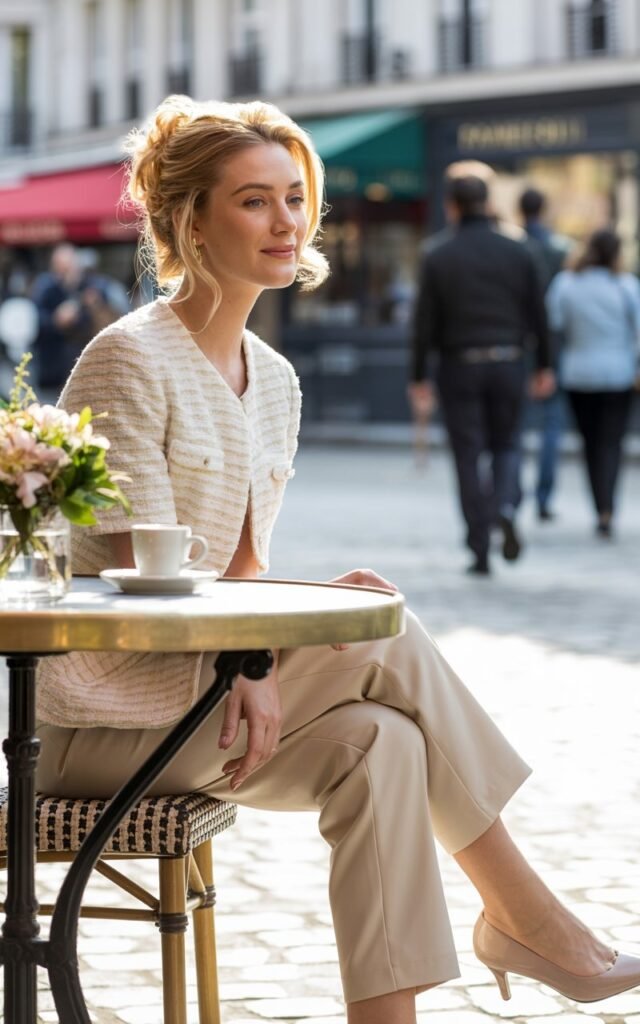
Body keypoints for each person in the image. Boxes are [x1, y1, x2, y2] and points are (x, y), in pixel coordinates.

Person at [34, 96, 640, 1024]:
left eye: (294, 197)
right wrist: (259, 653)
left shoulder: (276, 379)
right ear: (189, 220)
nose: (287, 222)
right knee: (386, 640)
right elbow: (146, 585)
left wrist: (288, 612)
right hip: (102, 722)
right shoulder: (127, 362)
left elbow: (234, 577)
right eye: (253, 201)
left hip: (197, 709)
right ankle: (526, 913)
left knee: (383, 745)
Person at [409, 168, 554, 576]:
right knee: (507, 445)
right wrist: (544, 364)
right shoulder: (519, 250)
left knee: (468, 455)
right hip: (509, 360)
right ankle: (504, 506)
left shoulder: (438, 254)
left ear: (451, 206)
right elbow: (538, 313)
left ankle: (479, 546)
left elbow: (424, 324)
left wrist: (418, 376)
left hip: (460, 365)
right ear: (488, 202)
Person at [546, 228, 640, 538]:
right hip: (618, 374)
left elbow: (554, 322)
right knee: (611, 443)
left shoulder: (567, 283)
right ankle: (607, 508)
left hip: (579, 374)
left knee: (590, 444)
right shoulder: (625, 286)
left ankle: (600, 506)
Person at [519, 188, 574, 520]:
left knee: (510, 431)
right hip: (553, 347)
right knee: (552, 424)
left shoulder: (514, 247)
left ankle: (509, 499)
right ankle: (543, 497)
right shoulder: (560, 250)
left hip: (516, 345)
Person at [31, 243, 123, 395]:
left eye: (67, 266)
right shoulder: (45, 288)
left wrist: (89, 309)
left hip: (87, 366)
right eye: (60, 267)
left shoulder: (94, 286)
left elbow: (109, 320)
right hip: (51, 369)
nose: (64, 272)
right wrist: (57, 320)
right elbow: (35, 322)